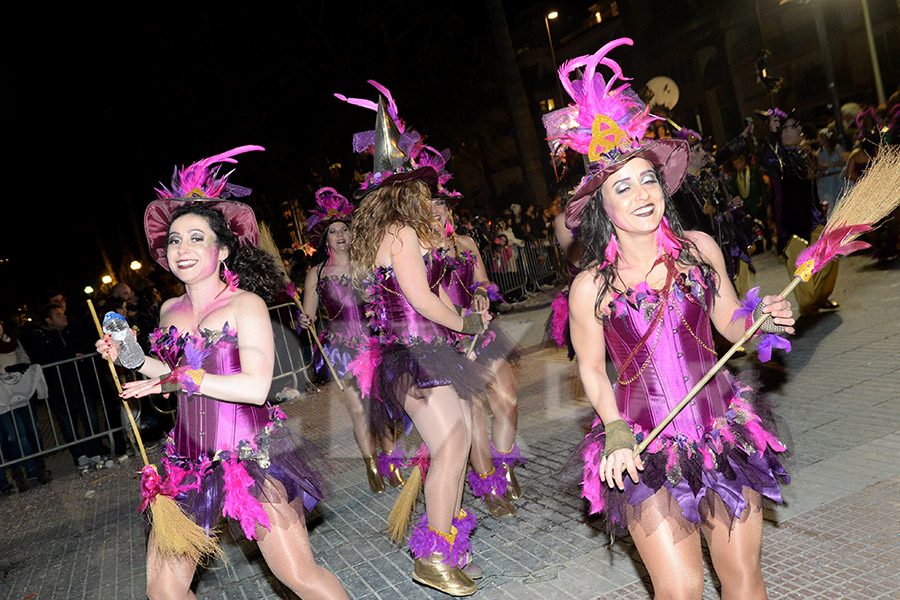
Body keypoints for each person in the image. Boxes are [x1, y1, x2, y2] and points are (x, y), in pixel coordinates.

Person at [546, 39, 794, 599]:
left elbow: (729, 318)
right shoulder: (590, 286)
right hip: (644, 447)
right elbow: (589, 369)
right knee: (680, 590)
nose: (641, 194)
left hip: (722, 434)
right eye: (622, 186)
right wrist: (612, 430)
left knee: (743, 577)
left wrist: (763, 317)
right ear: (603, 209)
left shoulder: (699, 248)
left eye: (648, 179)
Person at [96, 146, 349, 600]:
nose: (182, 249)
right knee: (164, 592)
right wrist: (129, 354)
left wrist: (181, 380)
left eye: (196, 238)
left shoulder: (244, 305)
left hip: (251, 457)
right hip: (187, 463)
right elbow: (171, 373)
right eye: (174, 240)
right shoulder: (170, 311)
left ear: (224, 248)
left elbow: (253, 388)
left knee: (299, 577)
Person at [338, 84, 491, 595]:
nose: (431, 195)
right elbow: (422, 301)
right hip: (414, 355)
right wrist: (466, 324)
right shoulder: (401, 232)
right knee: (452, 444)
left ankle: (445, 547)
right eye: (422, 188)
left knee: (454, 441)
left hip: (422, 353)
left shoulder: (400, 231)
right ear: (404, 193)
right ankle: (434, 557)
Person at [298, 186, 405, 494]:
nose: (341, 235)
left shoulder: (367, 262)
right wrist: (305, 319)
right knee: (359, 410)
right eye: (333, 231)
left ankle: (392, 461)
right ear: (326, 239)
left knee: (382, 405)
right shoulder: (316, 274)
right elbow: (309, 313)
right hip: (342, 350)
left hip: (377, 344)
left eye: (344, 229)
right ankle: (371, 465)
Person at [431, 185, 523, 520]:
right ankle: (489, 486)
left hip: (482, 333)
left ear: (448, 208)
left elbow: (483, 280)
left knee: (508, 402)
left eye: (439, 203)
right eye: (427, 206)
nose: (435, 211)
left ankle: (505, 462)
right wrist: (460, 322)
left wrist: (482, 292)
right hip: (448, 340)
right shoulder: (421, 251)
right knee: (474, 415)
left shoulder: (466, 244)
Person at [24, 303, 107, 462]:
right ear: (48, 320)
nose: (64, 316)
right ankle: (80, 456)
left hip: (78, 381)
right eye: (58, 315)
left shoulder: (71, 330)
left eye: (63, 313)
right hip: (57, 386)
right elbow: (43, 358)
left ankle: (94, 451)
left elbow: (85, 347)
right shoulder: (40, 336)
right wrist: (69, 355)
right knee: (68, 422)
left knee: (90, 417)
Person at [0, 319, 51, 492]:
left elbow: (23, 357)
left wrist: (20, 367)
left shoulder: (12, 340)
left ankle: (38, 468)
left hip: (20, 390)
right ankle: (19, 473)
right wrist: (4, 371)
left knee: (32, 430)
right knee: (14, 435)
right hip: (2, 397)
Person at [814, 127, 848, 214]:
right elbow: (822, 167)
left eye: (821, 137)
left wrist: (829, 165)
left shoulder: (837, 148)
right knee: (829, 206)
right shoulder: (819, 153)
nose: (819, 140)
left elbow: (845, 162)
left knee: (842, 203)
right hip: (826, 182)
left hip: (838, 179)